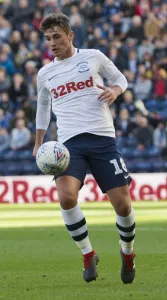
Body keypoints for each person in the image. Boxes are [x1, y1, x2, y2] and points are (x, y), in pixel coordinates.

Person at [32, 13, 135, 284]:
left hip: (102, 140)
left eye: (56, 37)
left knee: (123, 205)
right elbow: (43, 108)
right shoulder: (45, 73)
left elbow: (121, 79)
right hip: (68, 145)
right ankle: (88, 254)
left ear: (69, 35)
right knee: (66, 198)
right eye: (47, 39)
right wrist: (38, 141)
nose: (52, 43)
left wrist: (115, 91)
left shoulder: (93, 57)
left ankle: (128, 253)